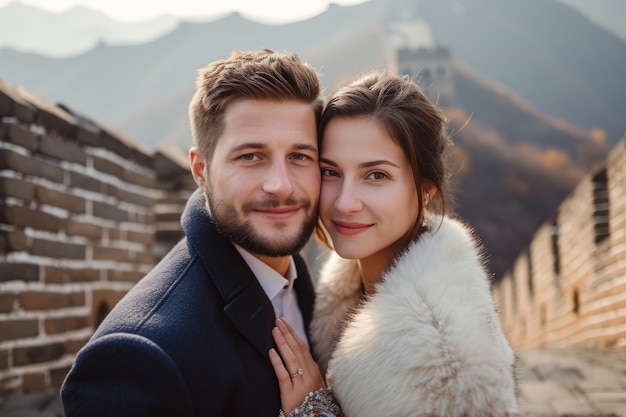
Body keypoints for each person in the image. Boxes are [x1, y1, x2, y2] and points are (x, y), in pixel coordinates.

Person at [61, 49, 324, 417]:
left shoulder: (305, 284)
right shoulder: (138, 356)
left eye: (300, 156)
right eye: (251, 156)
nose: (281, 186)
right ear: (201, 170)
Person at [268, 70, 519, 417]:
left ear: (425, 189)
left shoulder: (443, 358)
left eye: (376, 176)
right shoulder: (348, 288)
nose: (345, 203)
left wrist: (316, 412)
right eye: (330, 172)